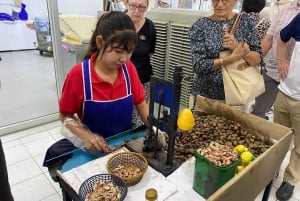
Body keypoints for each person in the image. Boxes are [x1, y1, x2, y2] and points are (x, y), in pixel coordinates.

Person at [42, 11, 148, 181]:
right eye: (119, 51)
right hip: (92, 149)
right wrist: (86, 136)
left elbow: (141, 102)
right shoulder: (79, 75)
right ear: (100, 42)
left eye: (129, 52)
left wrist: (153, 127)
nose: (124, 58)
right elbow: (65, 116)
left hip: (123, 145)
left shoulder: (129, 70)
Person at [188, 0, 262, 110]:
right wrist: (231, 58)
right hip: (206, 97)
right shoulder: (201, 25)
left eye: (225, 0)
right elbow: (198, 65)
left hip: (238, 97)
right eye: (215, 0)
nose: (219, 4)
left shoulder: (246, 22)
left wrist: (237, 47)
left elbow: (257, 59)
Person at [252, 0, 300, 118]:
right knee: (258, 112)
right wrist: (253, 60)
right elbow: (269, 38)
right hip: (274, 72)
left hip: (295, 81)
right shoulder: (285, 9)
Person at [274, 13, 300, 201]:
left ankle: (290, 179)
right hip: (285, 91)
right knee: (277, 137)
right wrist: (282, 60)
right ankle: (270, 169)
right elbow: (282, 38)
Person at [126, 0, 156, 127]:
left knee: (139, 119)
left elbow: (149, 53)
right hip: (121, 81)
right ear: (126, 4)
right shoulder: (117, 23)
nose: (137, 10)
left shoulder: (150, 27)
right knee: (124, 118)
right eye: (133, 6)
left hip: (142, 80)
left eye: (142, 7)